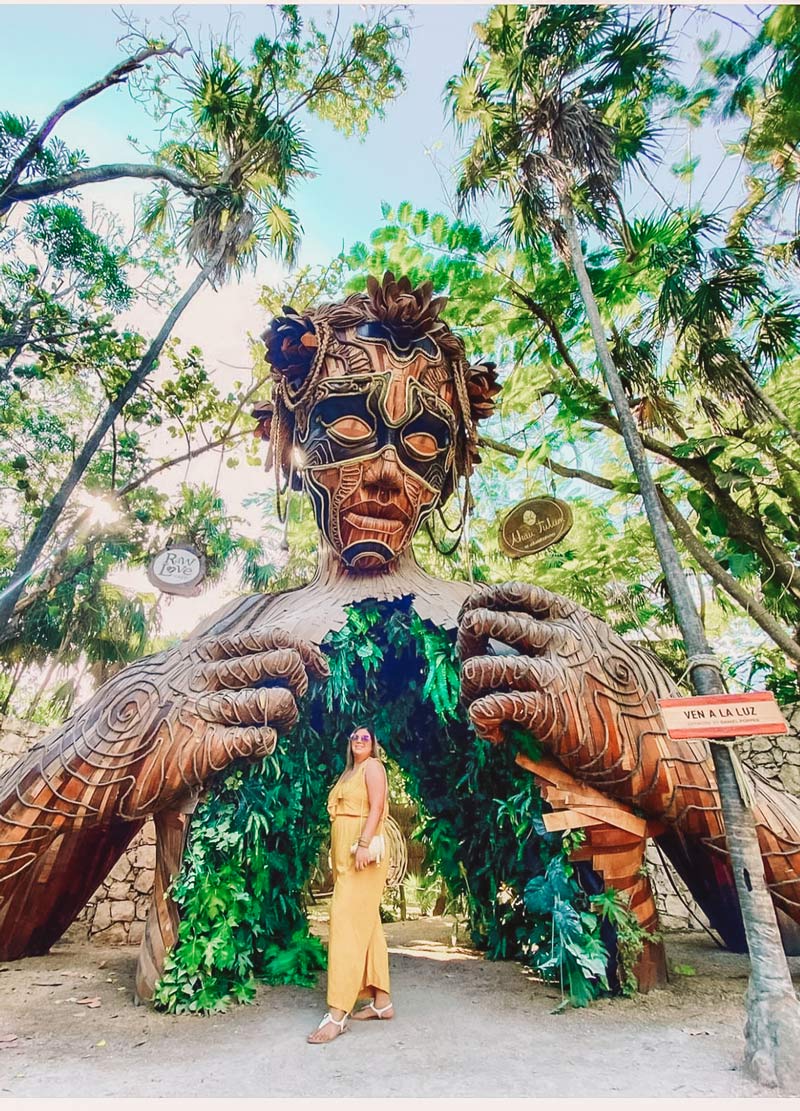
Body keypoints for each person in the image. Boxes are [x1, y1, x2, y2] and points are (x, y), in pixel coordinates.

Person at [307, 725, 394, 1043]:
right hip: (346, 858)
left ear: (373, 744)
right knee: (366, 925)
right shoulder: (348, 772)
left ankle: (337, 1013)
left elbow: (378, 807)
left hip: (363, 854)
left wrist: (363, 842)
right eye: (355, 737)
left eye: (366, 737)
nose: (359, 740)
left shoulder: (373, 767)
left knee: (344, 924)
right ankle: (382, 1003)